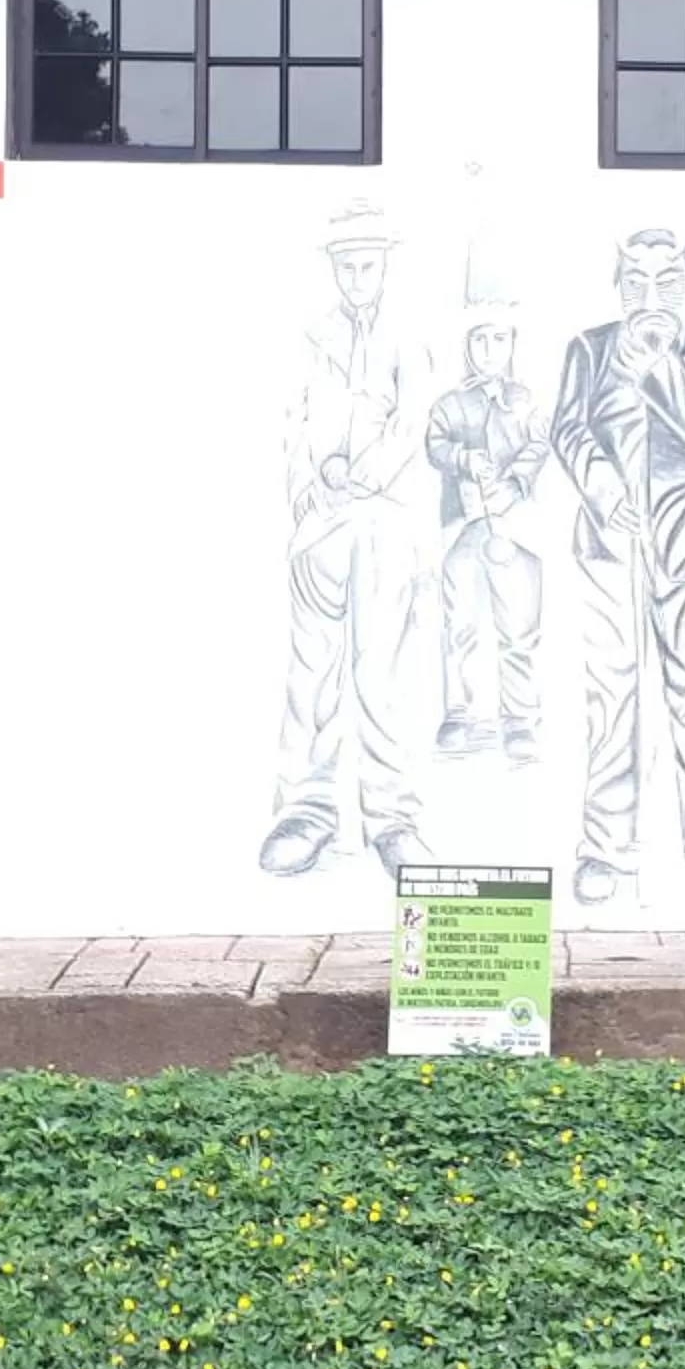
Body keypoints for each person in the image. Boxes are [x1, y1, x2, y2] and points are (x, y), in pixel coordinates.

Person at [550, 229, 685, 910]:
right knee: (611, 698)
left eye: (666, 281)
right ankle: (604, 849)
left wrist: (657, 367)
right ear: (617, 284)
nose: (649, 296)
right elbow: (567, 428)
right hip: (610, 546)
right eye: (635, 280)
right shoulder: (588, 348)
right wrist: (601, 485)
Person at [263, 203, 433, 878]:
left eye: (368, 265)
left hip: (384, 520)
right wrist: (311, 484)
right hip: (320, 525)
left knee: (379, 675)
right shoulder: (311, 335)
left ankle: (393, 821)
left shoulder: (408, 338)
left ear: (385, 265)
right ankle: (305, 813)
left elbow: (411, 423)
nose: (358, 278)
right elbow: (291, 419)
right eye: (347, 267)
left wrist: (357, 474)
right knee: (311, 674)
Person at [423, 307, 548, 761]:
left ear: (513, 342)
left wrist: (516, 480)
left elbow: (541, 443)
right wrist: (461, 458)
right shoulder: (450, 403)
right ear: (466, 345)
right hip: (466, 524)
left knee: (519, 623)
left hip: (516, 527)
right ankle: (458, 711)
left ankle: (519, 717)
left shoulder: (527, 401)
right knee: (459, 620)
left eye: (498, 340)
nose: (489, 351)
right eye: (479, 340)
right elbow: (434, 444)